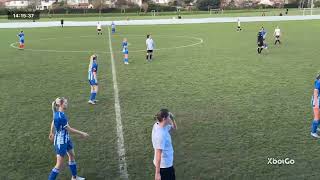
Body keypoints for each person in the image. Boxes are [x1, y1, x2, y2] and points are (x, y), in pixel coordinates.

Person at [48, 97, 89, 180]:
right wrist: (82, 133)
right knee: (58, 164)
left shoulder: (58, 113)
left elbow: (53, 120)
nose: (67, 104)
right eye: (65, 103)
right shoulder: (61, 116)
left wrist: (51, 132)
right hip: (61, 142)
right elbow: (69, 129)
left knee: (72, 155)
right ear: (61, 105)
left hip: (66, 138)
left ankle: (74, 177)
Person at [152, 109, 177, 180]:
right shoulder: (161, 135)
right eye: (169, 117)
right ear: (164, 118)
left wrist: (172, 118)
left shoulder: (159, 125)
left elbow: (174, 128)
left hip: (166, 164)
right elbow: (158, 154)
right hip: (164, 167)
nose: (170, 118)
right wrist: (157, 173)